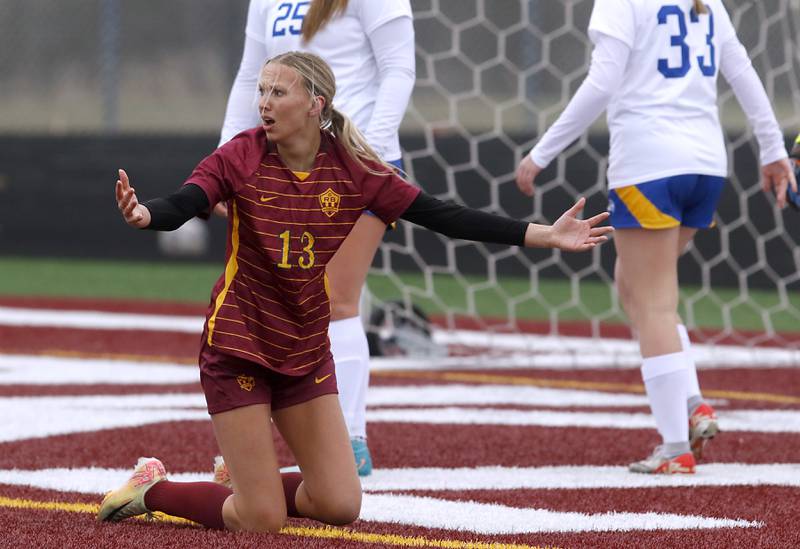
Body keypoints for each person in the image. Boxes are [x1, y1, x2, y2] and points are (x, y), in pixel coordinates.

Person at [98, 51, 612, 532]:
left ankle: (250, 484)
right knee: (260, 519)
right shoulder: (241, 154)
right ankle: (154, 488)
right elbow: (189, 200)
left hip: (303, 348)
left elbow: (443, 216)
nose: (264, 103)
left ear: (315, 104)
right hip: (239, 345)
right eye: (262, 91)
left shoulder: (355, 170)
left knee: (340, 505)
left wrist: (544, 234)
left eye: (278, 92)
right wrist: (145, 215)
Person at [514, 0, 797, 474]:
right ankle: (692, 404)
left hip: (650, 165)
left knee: (653, 304)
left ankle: (675, 447)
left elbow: (601, 82)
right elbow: (743, 72)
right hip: (706, 167)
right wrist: (771, 150)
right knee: (634, 286)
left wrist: (541, 153)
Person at [216, 0, 416, 476]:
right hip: (287, 165)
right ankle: (262, 444)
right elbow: (249, 77)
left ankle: (350, 440)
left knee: (336, 298)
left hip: (356, 163)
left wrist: (368, 154)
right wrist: (225, 157)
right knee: (274, 299)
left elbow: (399, 69)